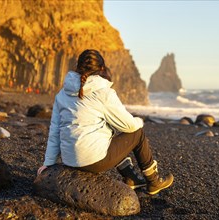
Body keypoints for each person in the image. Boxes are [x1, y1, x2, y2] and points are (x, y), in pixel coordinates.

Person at [37, 49, 173, 195]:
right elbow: (130, 125)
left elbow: (55, 131)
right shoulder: (103, 92)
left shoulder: (62, 94)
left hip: (69, 160)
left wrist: (48, 164)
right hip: (93, 161)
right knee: (136, 133)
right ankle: (153, 181)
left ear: (77, 66)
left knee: (110, 129)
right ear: (102, 69)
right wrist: (139, 121)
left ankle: (131, 178)